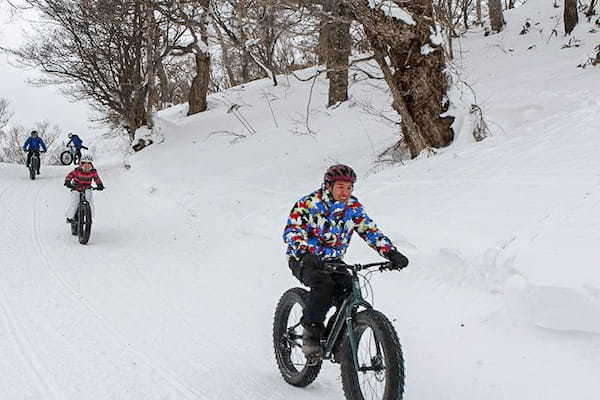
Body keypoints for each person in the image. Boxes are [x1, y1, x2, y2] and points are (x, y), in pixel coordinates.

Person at [283, 164, 409, 359]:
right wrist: (304, 252)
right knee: (323, 286)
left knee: (349, 291)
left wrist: (391, 253)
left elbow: (370, 231)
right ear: (329, 186)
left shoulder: (353, 208)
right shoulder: (308, 204)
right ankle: (311, 334)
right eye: (341, 187)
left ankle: (336, 339)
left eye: (349, 188)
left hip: (333, 260)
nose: (345, 192)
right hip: (304, 258)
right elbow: (292, 231)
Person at [64, 153, 104, 223]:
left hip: (87, 188)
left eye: (89, 164)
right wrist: (67, 181)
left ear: (91, 165)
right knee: (75, 200)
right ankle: (70, 216)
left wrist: (99, 184)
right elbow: (70, 175)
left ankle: (89, 215)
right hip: (76, 187)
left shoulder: (93, 172)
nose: (87, 166)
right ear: (81, 164)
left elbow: (97, 179)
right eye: (85, 164)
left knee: (89, 199)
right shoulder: (77, 170)